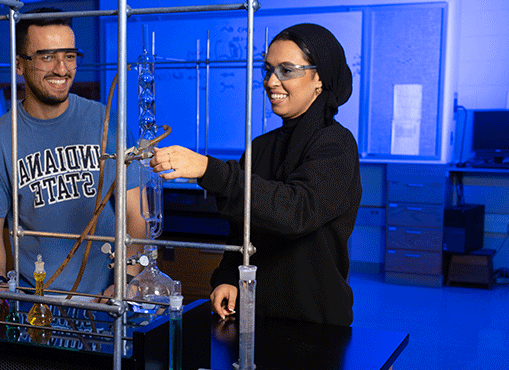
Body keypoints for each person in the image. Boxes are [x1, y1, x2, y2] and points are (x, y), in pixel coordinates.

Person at [151, 23, 361, 326]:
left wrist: (210, 170)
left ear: (319, 79)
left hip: (315, 320)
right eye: (268, 69)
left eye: (286, 70)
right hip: (253, 315)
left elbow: (295, 211)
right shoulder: (260, 147)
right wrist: (226, 277)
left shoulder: (336, 145)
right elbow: (242, 231)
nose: (271, 81)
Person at [0, 8, 146, 297]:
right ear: (19, 65)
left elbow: (136, 215)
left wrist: (126, 279)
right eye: (47, 57)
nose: (62, 69)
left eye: (69, 56)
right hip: (39, 307)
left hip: (109, 299)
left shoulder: (108, 123)